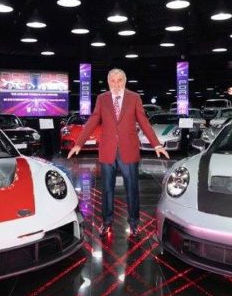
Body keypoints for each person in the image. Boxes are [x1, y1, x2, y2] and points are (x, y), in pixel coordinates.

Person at [68, 68, 169, 237]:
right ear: (108, 82)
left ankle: (134, 223)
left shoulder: (134, 98)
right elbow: (93, 120)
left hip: (128, 150)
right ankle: (106, 223)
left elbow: (143, 121)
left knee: (132, 190)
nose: (116, 84)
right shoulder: (102, 99)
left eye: (119, 80)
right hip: (107, 151)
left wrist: (156, 144)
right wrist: (79, 143)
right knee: (107, 190)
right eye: (113, 81)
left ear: (125, 81)